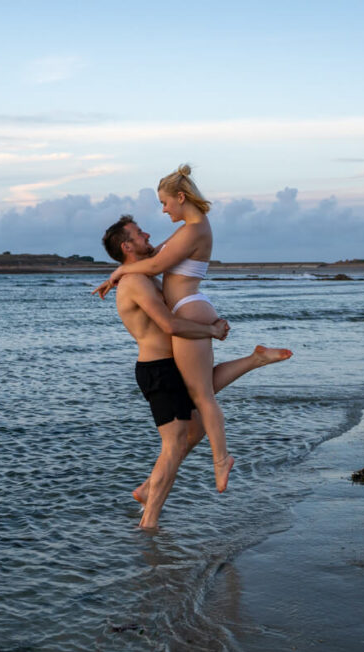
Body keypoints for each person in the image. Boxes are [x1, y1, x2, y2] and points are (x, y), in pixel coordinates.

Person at [100, 214, 291, 529]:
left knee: (198, 424)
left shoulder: (142, 275)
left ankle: (148, 489)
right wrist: (211, 331)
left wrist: (119, 270)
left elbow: (173, 244)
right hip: (157, 370)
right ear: (127, 245)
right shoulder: (135, 282)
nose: (147, 234)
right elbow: (169, 324)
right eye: (138, 233)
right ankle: (149, 525)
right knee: (173, 445)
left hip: (169, 364)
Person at [94, 165, 233, 492]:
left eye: (165, 202)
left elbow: (154, 264)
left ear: (181, 197)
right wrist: (118, 272)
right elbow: (153, 255)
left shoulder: (194, 230)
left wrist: (117, 276)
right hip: (191, 305)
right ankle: (257, 360)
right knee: (199, 390)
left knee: (202, 394)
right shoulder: (190, 228)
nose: (163, 209)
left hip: (189, 307)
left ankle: (222, 459)